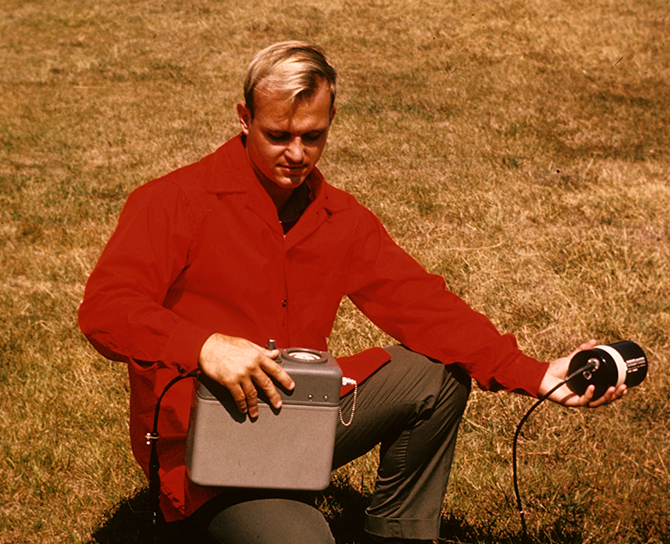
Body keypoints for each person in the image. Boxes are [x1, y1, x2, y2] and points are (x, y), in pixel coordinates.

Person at [78, 41, 626, 544]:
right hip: (207, 454)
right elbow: (104, 310)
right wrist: (204, 346)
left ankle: (401, 535)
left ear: (331, 122)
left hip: (301, 417)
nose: (296, 153)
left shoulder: (340, 217)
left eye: (312, 136)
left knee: (435, 374)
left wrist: (535, 373)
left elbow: (422, 304)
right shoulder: (172, 201)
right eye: (278, 135)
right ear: (244, 119)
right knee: (304, 538)